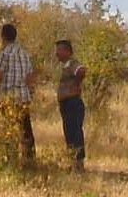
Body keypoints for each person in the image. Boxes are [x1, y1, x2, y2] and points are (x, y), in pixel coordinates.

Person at [0, 21, 36, 163]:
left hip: (9, 98)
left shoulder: (4, 53)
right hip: (23, 97)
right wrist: (31, 93)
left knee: (10, 130)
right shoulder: (24, 53)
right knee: (25, 130)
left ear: (3, 37)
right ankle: (29, 159)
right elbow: (30, 77)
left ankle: (11, 159)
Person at [55, 38, 86, 170]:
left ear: (68, 51)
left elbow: (81, 70)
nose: (57, 53)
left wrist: (75, 85)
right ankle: (72, 162)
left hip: (72, 103)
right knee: (69, 133)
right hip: (67, 104)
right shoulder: (64, 66)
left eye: (59, 50)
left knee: (75, 133)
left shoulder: (71, 63)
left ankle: (78, 163)